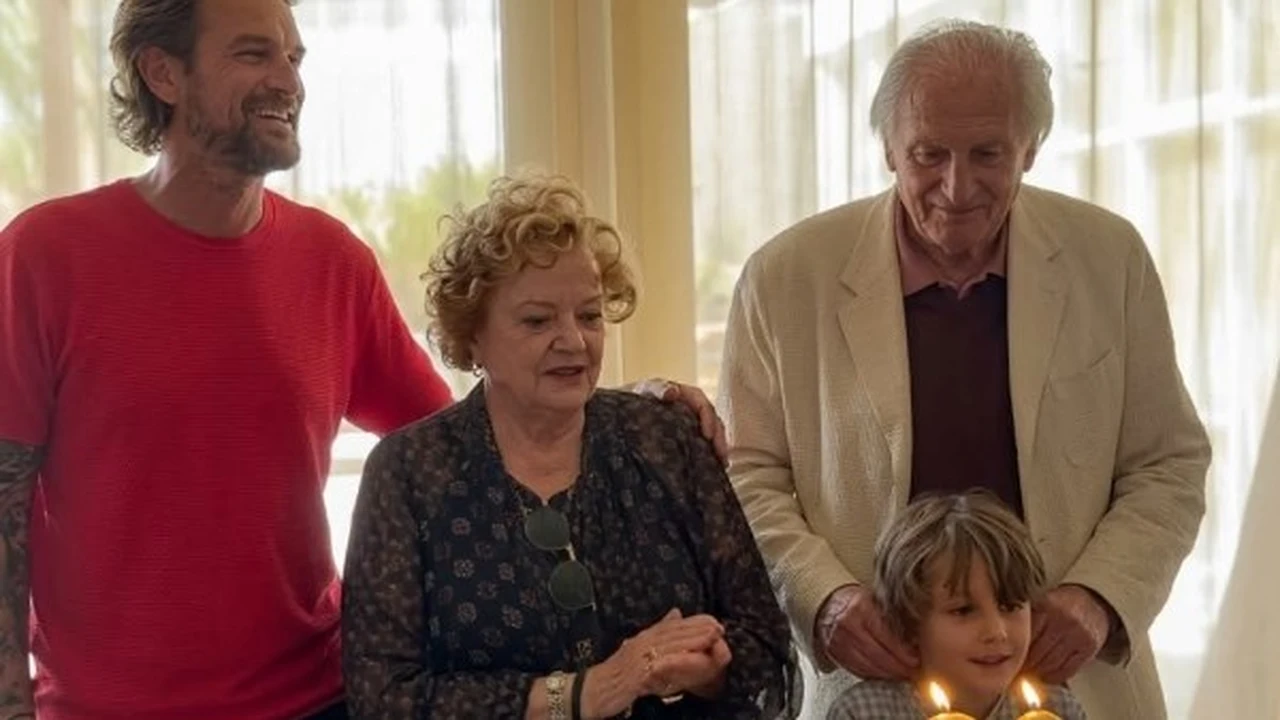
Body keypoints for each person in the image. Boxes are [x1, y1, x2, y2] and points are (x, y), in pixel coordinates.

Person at [0, 2, 723, 719]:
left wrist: (627, 403)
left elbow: (474, 438)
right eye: (253, 53)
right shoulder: (45, 255)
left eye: (294, 57)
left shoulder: (330, 261)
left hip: (315, 701)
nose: (288, 80)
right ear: (162, 72)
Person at [718, 18, 1211, 720]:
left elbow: (1167, 462)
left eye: (987, 154)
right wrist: (822, 598)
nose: (956, 187)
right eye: (929, 155)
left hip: (1068, 679)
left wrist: (1099, 596)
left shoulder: (1111, 258)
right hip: (873, 687)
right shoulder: (785, 276)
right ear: (888, 149)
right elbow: (746, 476)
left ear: (1030, 149)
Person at [341, 174, 797, 720]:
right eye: (538, 321)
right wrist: (581, 694)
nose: (575, 341)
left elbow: (771, 653)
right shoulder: (408, 472)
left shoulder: (667, 439)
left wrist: (709, 671)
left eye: (590, 315)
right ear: (473, 336)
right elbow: (382, 697)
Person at [825, 492, 1086, 720]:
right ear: (909, 620)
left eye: (1009, 606)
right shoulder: (864, 712)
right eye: (963, 610)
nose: (996, 632)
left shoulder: (1057, 709)